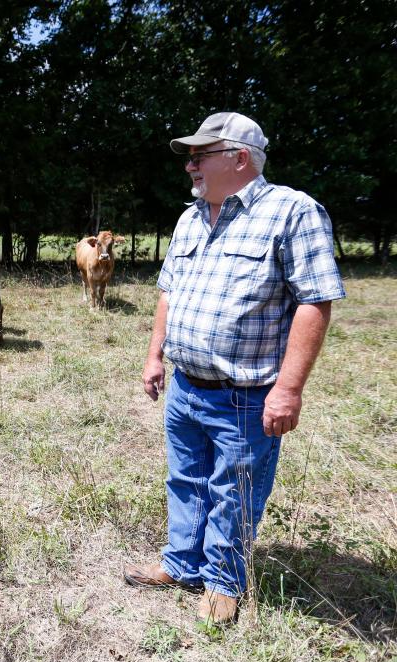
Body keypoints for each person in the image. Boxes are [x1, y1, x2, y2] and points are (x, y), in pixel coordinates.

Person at [124, 112, 346, 625]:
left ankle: (224, 581)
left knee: (235, 489)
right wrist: (155, 355)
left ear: (239, 158)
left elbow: (315, 302)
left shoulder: (293, 212)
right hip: (186, 385)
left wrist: (288, 389)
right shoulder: (191, 217)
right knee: (185, 478)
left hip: (245, 393)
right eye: (190, 158)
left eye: (200, 156)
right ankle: (181, 565)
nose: (191, 167)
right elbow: (168, 291)